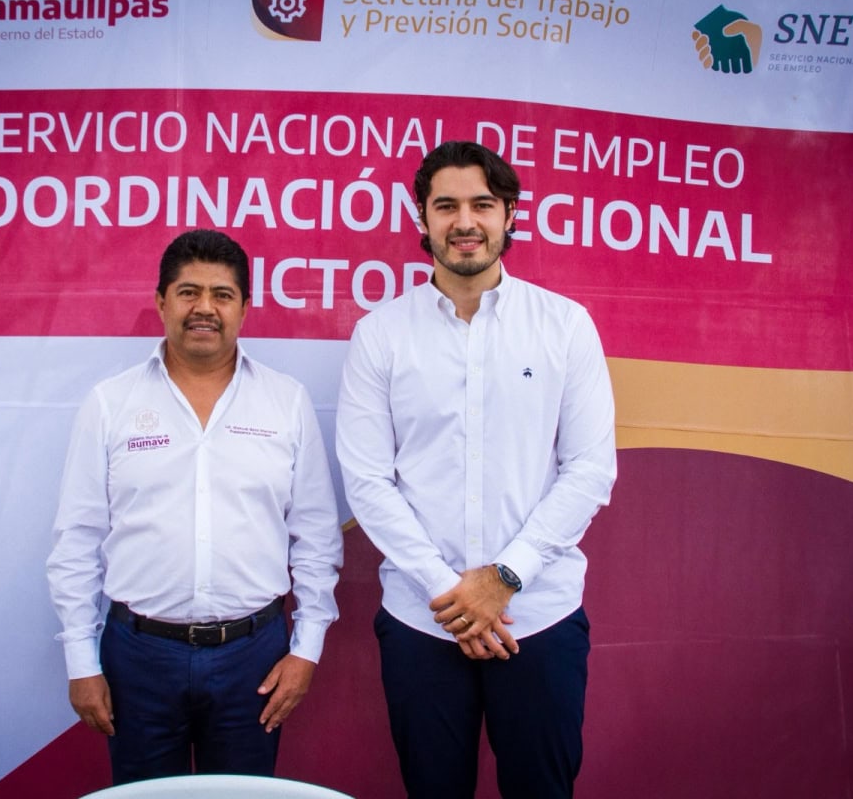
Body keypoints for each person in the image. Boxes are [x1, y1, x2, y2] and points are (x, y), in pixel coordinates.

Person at [335, 141, 616, 798]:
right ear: (423, 218)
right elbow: (368, 482)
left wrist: (505, 577)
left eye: (482, 204)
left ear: (509, 214)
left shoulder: (564, 326)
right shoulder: (381, 334)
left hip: (538, 616)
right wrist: (453, 595)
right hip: (421, 619)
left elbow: (589, 469)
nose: (465, 222)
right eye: (447, 206)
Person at [47, 228, 343, 783]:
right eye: (188, 292)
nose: (204, 308)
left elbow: (317, 538)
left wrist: (307, 650)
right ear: (161, 302)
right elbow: (77, 540)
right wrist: (80, 661)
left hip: (253, 657)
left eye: (222, 294)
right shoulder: (111, 403)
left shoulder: (285, 401)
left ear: (244, 308)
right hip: (138, 656)